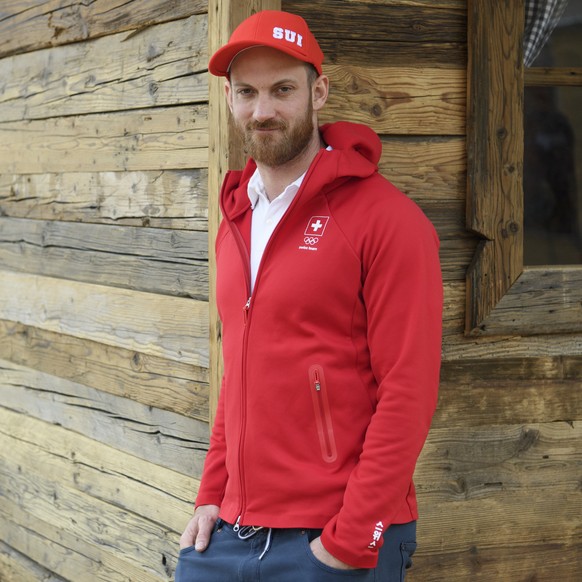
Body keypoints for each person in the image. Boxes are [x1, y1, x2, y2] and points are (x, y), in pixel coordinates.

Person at [176, 10, 443, 581]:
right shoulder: (237, 217)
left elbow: (409, 390)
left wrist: (351, 539)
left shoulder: (387, 221)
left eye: (282, 90)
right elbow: (240, 370)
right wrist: (210, 495)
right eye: (246, 92)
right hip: (227, 535)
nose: (263, 110)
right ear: (229, 98)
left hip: (330, 541)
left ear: (317, 92)